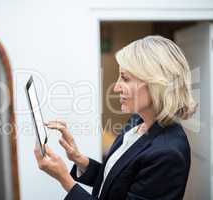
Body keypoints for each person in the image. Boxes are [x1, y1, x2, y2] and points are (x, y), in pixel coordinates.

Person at [34, 35, 197, 200]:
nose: (116, 87)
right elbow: (115, 181)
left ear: (156, 85)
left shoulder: (167, 154)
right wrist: (79, 159)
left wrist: (65, 180)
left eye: (125, 78)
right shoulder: (137, 121)